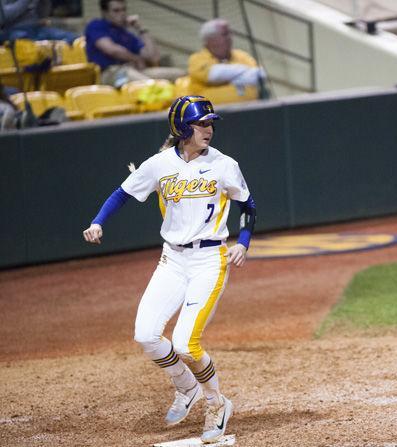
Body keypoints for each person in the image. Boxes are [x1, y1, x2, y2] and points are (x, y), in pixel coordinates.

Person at [82, 95, 257, 444]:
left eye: (210, 124)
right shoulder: (159, 164)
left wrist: (244, 242)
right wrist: (98, 222)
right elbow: (122, 194)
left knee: (185, 344)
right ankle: (186, 387)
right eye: (201, 124)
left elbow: (248, 206)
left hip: (209, 260)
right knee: (146, 334)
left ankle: (216, 403)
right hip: (172, 260)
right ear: (182, 128)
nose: (208, 129)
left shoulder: (225, 165)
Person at [84, 0, 184, 87]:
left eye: (124, 9)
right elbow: (113, 50)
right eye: (116, 11)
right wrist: (136, 59)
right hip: (109, 73)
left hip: (133, 70)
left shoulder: (126, 34)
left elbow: (153, 57)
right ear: (105, 12)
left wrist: (141, 29)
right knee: (150, 84)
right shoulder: (96, 26)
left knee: (181, 74)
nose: (122, 14)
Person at [188, 18, 266, 97]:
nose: (230, 38)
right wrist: (241, 76)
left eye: (230, 33)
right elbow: (214, 75)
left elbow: (260, 75)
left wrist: (227, 79)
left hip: (251, 107)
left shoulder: (242, 55)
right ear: (211, 40)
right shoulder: (196, 59)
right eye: (225, 34)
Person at [0, 0, 78, 44]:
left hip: (36, 29)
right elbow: (6, 17)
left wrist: (45, 2)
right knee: (24, 43)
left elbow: (42, 15)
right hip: (14, 30)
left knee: (72, 38)